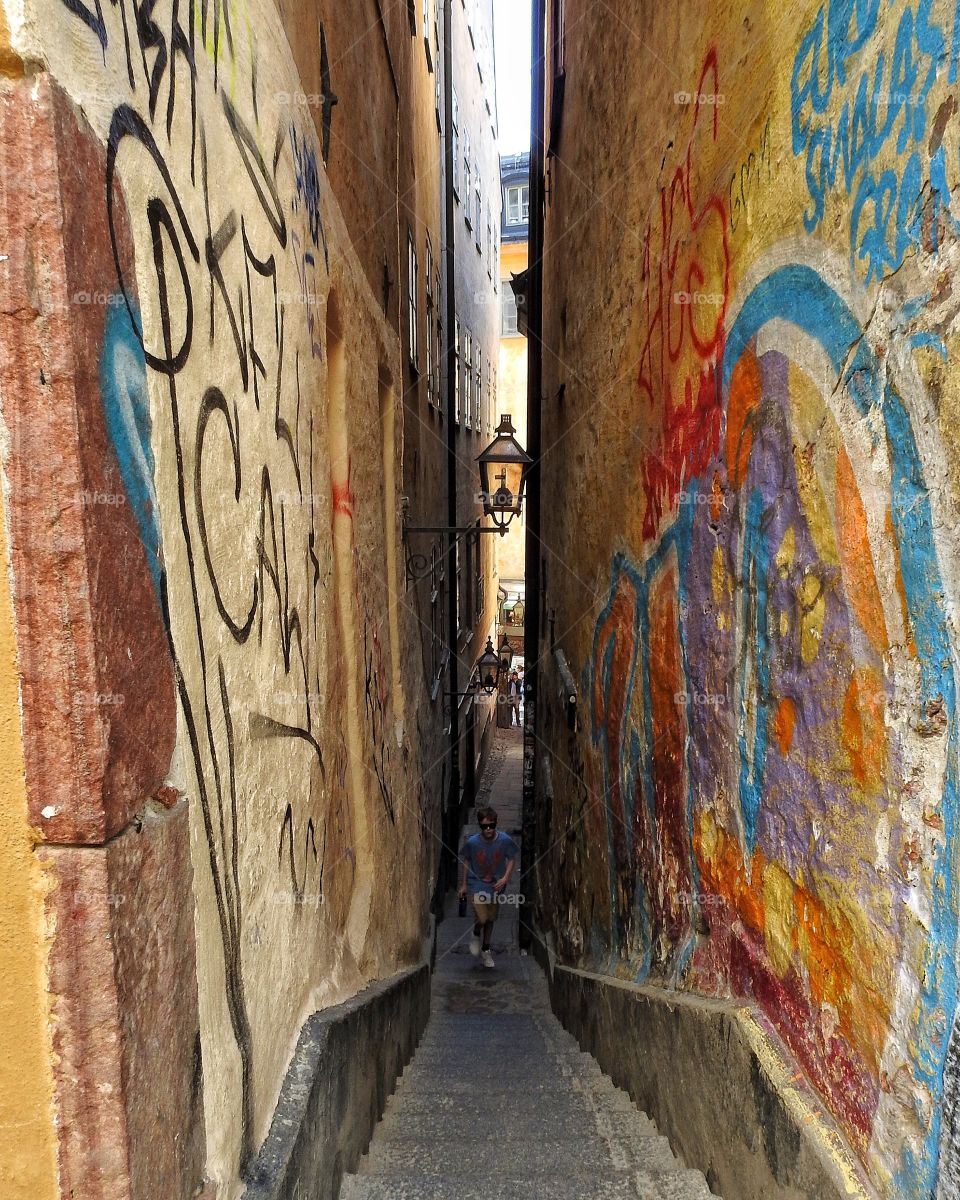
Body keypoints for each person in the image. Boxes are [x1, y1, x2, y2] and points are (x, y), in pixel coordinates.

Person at [458, 806, 518, 968]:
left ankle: (486, 949)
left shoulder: (504, 840)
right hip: (476, 884)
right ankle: (476, 932)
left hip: (495, 885)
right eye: (485, 826)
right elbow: (467, 860)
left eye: (491, 825)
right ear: (480, 826)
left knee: (490, 919)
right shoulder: (473, 842)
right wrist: (464, 884)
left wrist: (505, 878)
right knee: (482, 917)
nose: (488, 829)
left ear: (495, 824)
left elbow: (511, 858)